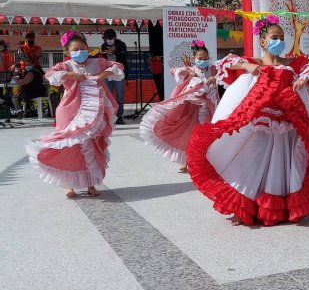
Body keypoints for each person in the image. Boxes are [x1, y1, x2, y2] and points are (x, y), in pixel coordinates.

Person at [186, 15, 309, 226]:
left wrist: (303, 78)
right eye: (274, 37)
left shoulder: (290, 63)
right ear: (263, 41)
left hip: (288, 120)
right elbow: (227, 63)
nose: (279, 41)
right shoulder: (256, 63)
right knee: (252, 159)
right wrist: (247, 66)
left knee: (283, 161)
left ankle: (283, 206)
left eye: (282, 37)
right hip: (260, 120)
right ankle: (243, 206)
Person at [25, 31, 125, 198]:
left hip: (93, 113)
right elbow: (49, 75)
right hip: (69, 110)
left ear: (88, 48)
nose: (80, 52)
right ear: (68, 52)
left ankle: (90, 184)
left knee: (91, 145)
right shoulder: (66, 65)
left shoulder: (97, 62)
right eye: (75, 49)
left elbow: (118, 66)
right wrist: (72, 75)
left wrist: (103, 75)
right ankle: (68, 185)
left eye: (83, 48)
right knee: (68, 146)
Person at [140, 40, 218, 173]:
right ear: (194, 58)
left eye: (205, 58)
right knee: (187, 133)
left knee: (205, 134)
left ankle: (202, 162)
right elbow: (174, 70)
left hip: (207, 107)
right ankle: (184, 161)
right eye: (200, 58)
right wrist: (187, 72)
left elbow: (223, 73)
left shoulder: (212, 69)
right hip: (190, 107)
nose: (203, 61)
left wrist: (215, 78)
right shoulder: (191, 69)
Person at [100, 29, 128, 124]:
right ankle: (109, 116)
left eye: (110, 38)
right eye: (106, 38)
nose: (108, 40)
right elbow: (101, 60)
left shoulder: (121, 44)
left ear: (115, 38)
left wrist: (113, 51)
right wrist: (102, 54)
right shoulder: (104, 46)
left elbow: (124, 56)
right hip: (107, 73)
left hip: (119, 73)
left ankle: (119, 116)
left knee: (120, 96)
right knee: (108, 96)